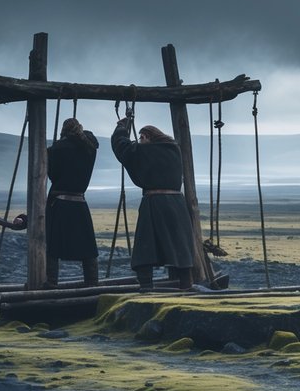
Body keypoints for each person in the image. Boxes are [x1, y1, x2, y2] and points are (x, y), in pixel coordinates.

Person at [111, 118, 197, 292]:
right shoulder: (174, 150)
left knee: (145, 245)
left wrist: (121, 128)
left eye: (142, 137)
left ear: (148, 136)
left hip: (154, 203)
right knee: (179, 244)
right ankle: (186, 285)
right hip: (176, 205)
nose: (140, 140)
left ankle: (146, 286)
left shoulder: (145, 152)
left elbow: (122, 147)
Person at [44, 118, 100, 288]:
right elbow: (89, 137)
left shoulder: (55, 150)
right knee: (88, 246)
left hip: (59, 203)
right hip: (80, 202)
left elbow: (52, 174)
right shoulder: (90, 148)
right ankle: (92, 283)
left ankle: (51, 282)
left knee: (52, 245)